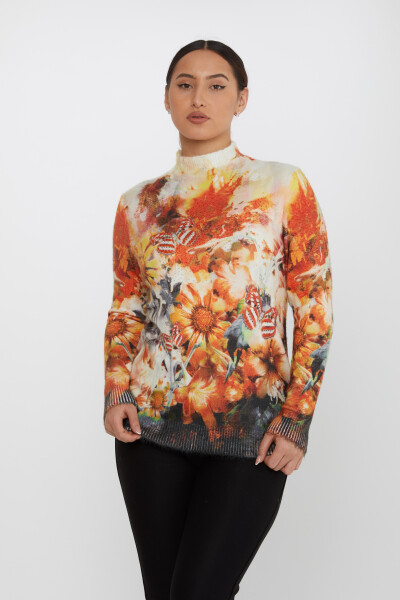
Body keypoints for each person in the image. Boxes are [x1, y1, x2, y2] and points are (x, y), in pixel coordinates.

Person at [103, 39, 334, 600]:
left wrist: (296, 420)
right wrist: (115, 391)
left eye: (216, 85)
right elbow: (127, 304)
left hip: (252, 432)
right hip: (149, 431)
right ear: (166, 98)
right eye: (185, 84)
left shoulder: (282, 185)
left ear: (242, 98)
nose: (199, 98)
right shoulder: (138, 204)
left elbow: (314, 307)